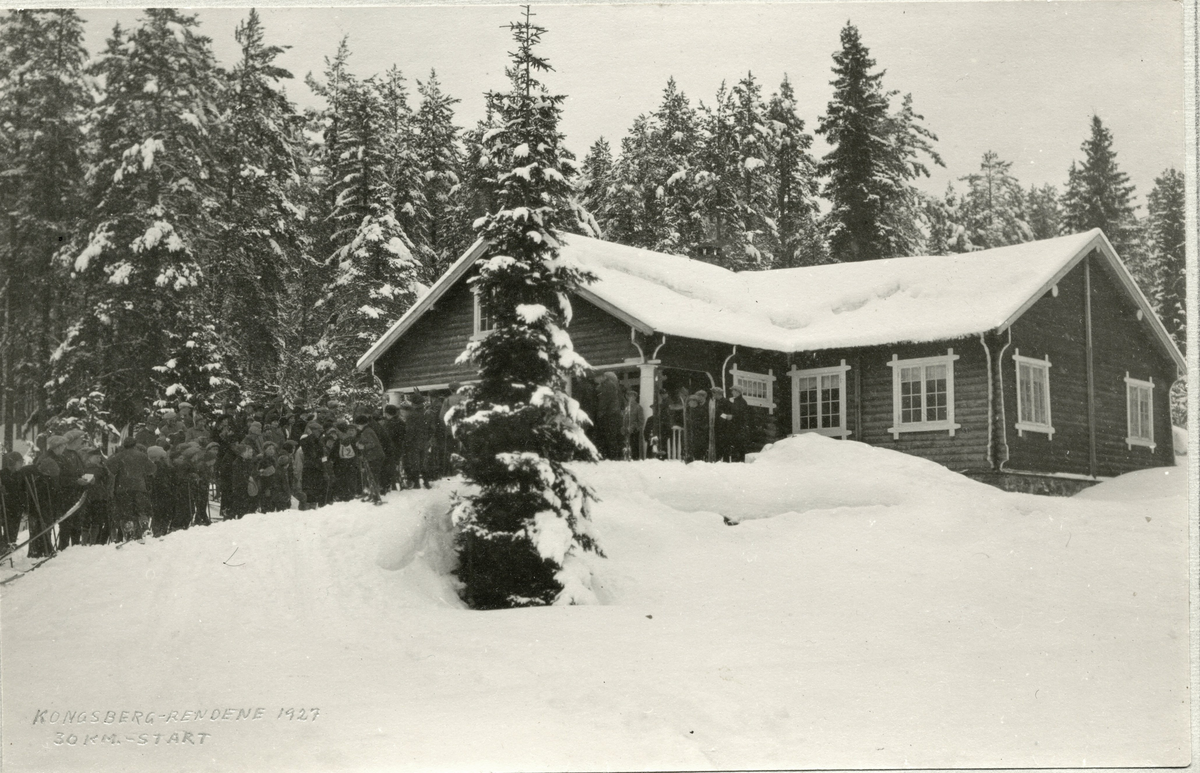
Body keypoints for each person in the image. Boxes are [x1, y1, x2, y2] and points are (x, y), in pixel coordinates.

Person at [107, 436, 156, 541]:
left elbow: (111, 468)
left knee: (127, 512)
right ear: (135, 444)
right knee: (140, 509)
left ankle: (130, 532)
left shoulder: (119, 456)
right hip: (140, 487)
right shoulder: (142, 456)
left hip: (123, 489)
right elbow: (151, 469)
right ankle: (144, 525)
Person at [80, 449, 112, 545]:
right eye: (96, 457)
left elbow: (108, 480)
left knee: (96, 521)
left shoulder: (102, 468)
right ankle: (85, 541)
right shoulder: (85, 468)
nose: (98, 459)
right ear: (89, 458)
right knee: (88, 520)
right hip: (89, 496)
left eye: (99, 457)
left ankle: (92, 541)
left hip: (99, 496)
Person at [353, 415, 385, 501]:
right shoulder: (366, 431)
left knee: (372, 476)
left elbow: (372, 443)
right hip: (373, 456)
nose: (357, 427)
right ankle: (372, 493)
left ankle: (375, 495)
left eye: (358, 425)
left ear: (363, 424)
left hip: (375, 456)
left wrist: (362, 446)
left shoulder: (367, 431)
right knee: (371, 475)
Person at [595, 372, 623, 460]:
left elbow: (604, 401)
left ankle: (612, 457)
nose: (596, 380)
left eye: (597, 378)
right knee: (612, 436)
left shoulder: (607, 385)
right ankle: (614, 456)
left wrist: (599, 412)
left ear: (603, 377)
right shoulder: (611, 386)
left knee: (610, 436)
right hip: (613, 414)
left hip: (610, 414)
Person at [621, 391, 645, 460]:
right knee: (626, 450)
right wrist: (623, 427)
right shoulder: (626, 408)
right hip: (626, 433)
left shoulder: (638, 407)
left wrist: (633, 427)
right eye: (629, 396)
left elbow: (641, 421)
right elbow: (624, 420)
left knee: (634, 451)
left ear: (635, 397)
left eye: (632, 396)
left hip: (634, 433)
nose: (630, 398)